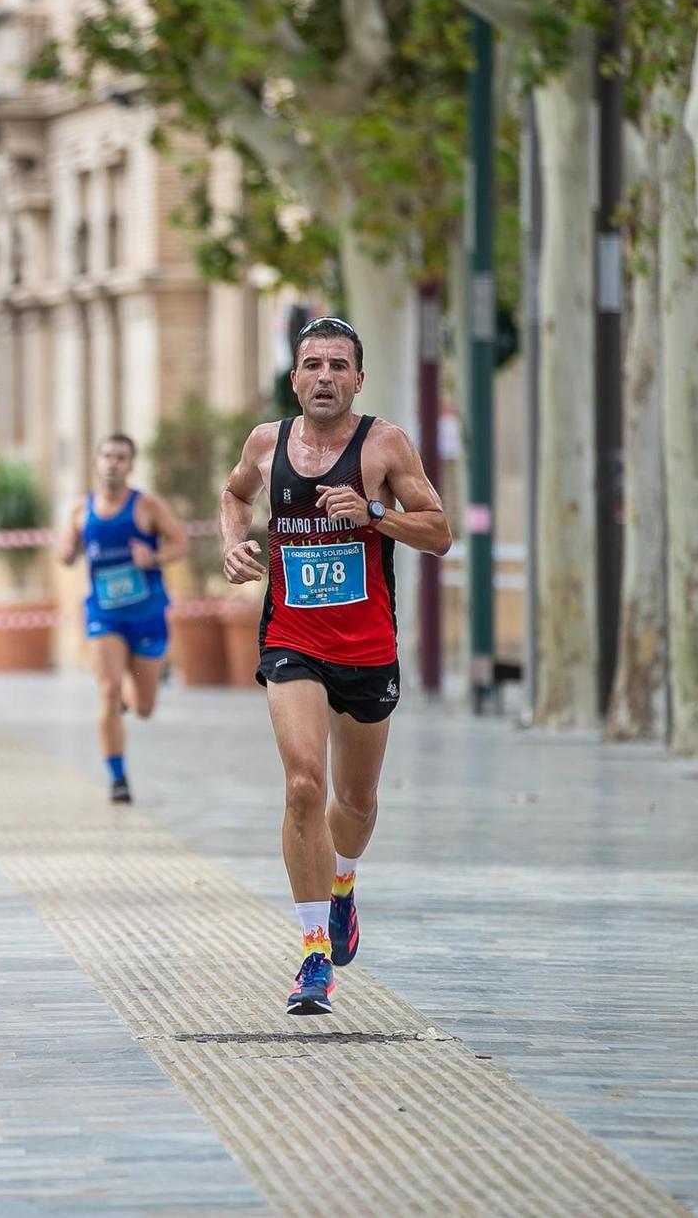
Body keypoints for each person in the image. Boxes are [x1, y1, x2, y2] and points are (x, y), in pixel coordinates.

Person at [219, 317, 450, 1015]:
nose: (324, 376)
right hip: (292, 637)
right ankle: (313, 951)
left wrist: (374, 512)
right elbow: (233, 496)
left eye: (338, 365)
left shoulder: (385, 444)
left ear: (357, 378)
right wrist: (232, 545)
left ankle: (343, 881)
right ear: (293, 379)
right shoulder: (267, 444)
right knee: (302, 784)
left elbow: (438, 531)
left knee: (355, 802)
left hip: (367, 646)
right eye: (312, 364)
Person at [58, 434, 188, 803]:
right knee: (108, 691)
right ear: (96, 462)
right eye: (107, 456)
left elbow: (180, 543)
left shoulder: (146, 506)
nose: (113, 463)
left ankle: (132, 697)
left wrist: (155, 557)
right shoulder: (80, 510)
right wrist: (67, 553)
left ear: (130, 465)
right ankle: (117, 778)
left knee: (144, 707)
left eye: (121, 457)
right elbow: (64, 550)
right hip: (104, 615)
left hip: (147, 615)